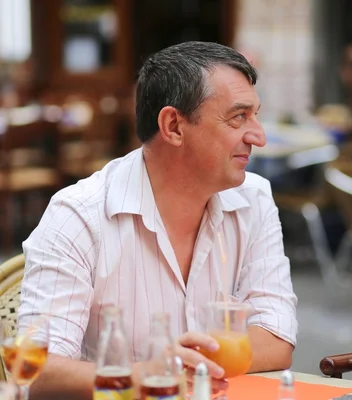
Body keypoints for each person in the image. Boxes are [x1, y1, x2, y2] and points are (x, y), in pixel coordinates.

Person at [19, 41, 298, 400]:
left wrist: (188, 362)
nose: (258, 135)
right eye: (238, 117)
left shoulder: (253, 199)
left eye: (256, 115)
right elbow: (36, 371)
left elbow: (276, 339)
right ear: (173, 126)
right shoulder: (79, 216)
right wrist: (141, 375)